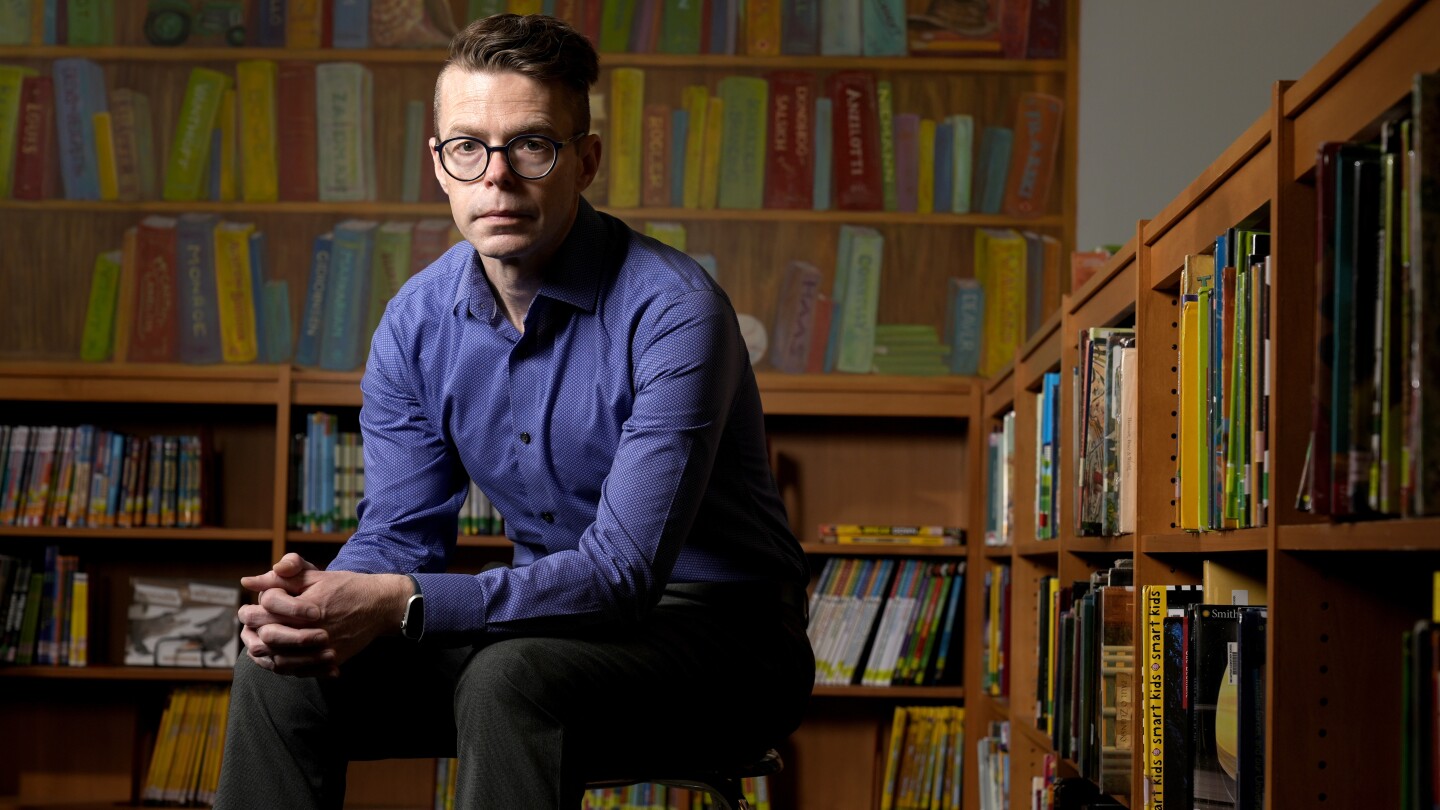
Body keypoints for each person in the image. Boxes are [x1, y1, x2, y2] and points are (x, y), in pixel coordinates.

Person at [214, 13, 814, 810]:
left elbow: (622, 576)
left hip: (723, 645)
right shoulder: (415, 321)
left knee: (512, 677)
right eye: (468, 147)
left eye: (531, 145)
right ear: (439, 163)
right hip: (539, 628)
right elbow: (401, 535)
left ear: (585, 160)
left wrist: (397, 603)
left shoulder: (674, 311)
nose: (496, 177)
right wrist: (322, 604)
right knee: (281, 668)